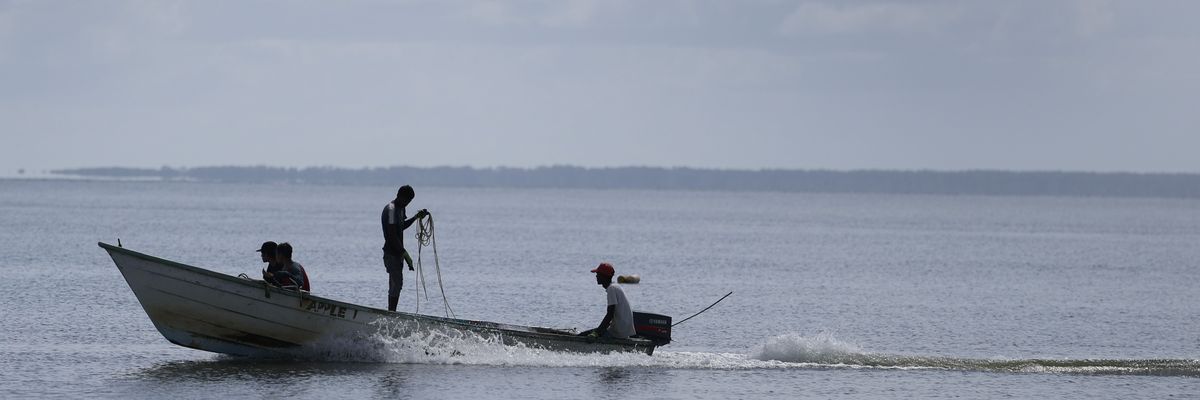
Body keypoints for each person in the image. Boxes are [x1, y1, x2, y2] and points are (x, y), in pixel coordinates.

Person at [382, 185, 429, 311]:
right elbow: (392, 234)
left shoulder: (401, 209)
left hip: (398, 253)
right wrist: (404, 253)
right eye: (407, 201)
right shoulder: (391, 210)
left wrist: (415, 218)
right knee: (396, 283)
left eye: (410, 202)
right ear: (400, 196)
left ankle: (391, 312)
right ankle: (391, 313)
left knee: (397, 284)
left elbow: (400, 226)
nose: (407, 204)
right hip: (391, 253)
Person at [579, 262, 635, 339]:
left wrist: (597, 332)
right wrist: (599, 330)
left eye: (598, 274)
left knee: (582, 335)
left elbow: (610, 314)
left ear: (603, 276)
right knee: (590, 332)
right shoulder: (616, 286)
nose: (596, 276)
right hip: (623, 330)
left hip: (618, 332)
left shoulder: (611, 289)